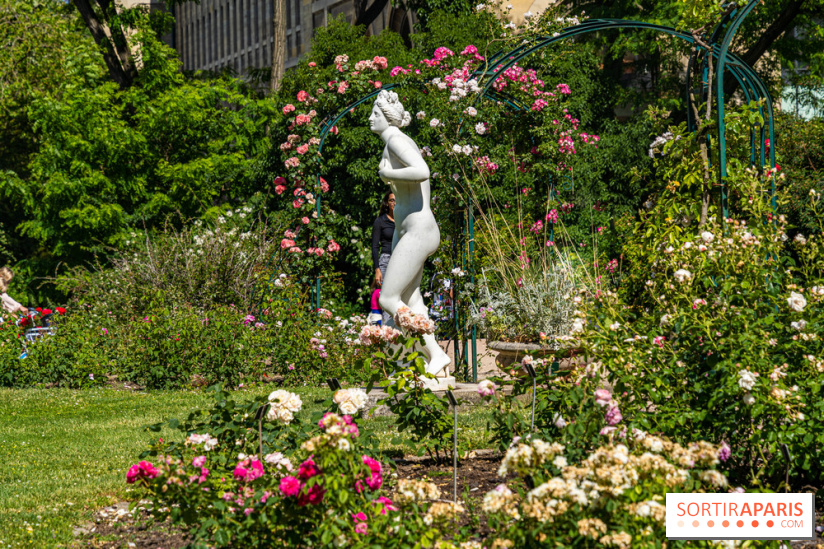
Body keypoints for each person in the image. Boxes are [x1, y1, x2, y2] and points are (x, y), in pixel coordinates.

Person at [369, 90, 451, 378]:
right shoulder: (394, 142)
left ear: (387, 118)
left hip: (419, 230)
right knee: (411, 298)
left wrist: (385, 176)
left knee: (388, 299)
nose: (371, 119)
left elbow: (422, 171)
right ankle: (417, 361)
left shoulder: (395, 139)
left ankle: (436, 353)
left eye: (375, 114)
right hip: (412, 231)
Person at [371, 191, 395, 324]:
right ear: (387, 203)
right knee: (386, 295)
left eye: (396, 200)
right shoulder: (380, 221)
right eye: (391, 200)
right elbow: (375, 247)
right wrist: (377, 269)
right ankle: (387, 331)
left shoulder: (403, 220)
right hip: (386, 259)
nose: (394, 203)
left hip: (401, 260)